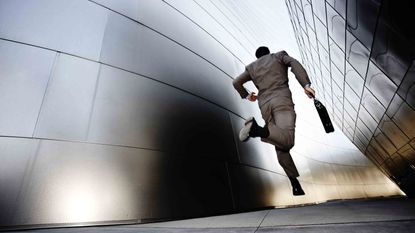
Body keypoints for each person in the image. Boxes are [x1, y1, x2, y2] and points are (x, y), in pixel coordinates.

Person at [232, 46, 315, 196]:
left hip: (265, 106)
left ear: (257, 57)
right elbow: (295, 63)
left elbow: (236, 82)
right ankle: (257, 130)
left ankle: (295, 184)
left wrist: (247, 96)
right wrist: (306, 85)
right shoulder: (279, 56)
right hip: (281, 101)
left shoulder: (252, 67)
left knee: (279, 144)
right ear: (268, 52)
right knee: (287, 140)